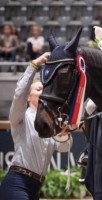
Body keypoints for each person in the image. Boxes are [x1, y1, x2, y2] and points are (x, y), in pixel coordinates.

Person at [0, 52, 72, 200]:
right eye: (38, 90)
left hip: (36, 187)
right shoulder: (20, 117)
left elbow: (63, 148)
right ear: (28, 97)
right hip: (17, 183)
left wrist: (64, 134)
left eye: (43, 90)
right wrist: (34, 65)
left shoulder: (48, 122)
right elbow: (20, 93)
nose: (42, 93)